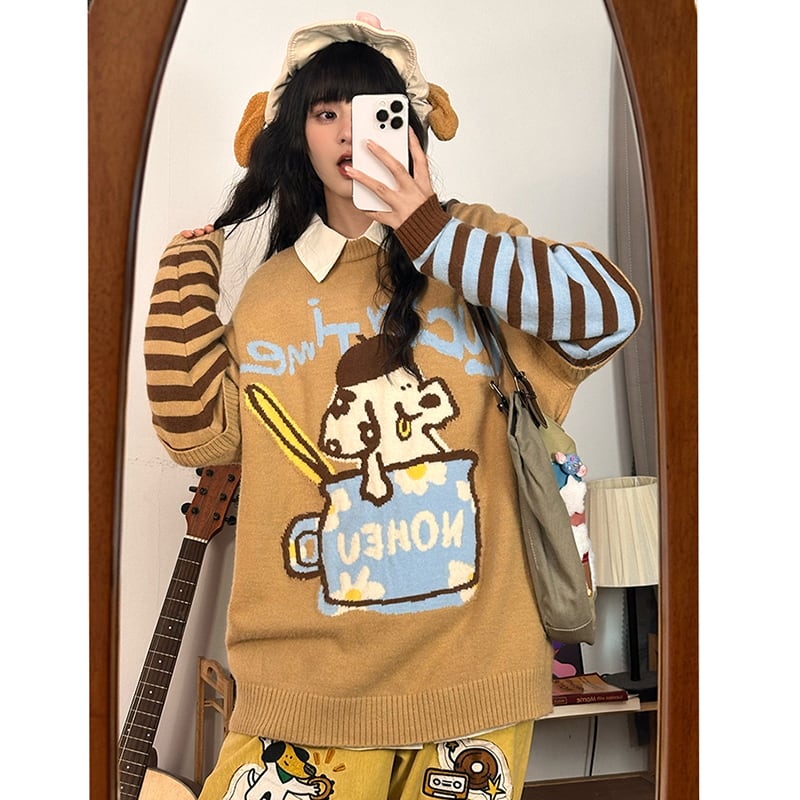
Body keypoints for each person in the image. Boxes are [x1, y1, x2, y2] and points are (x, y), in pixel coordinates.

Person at [144, 13, 642, 800]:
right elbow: (199, 440)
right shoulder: (271, 293)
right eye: (326, 111)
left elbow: (611, 313)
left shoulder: (474, 244)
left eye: (374, 109)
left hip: (474, 685)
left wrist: (429, 234)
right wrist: (183, 278)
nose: (350, 130)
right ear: (298, 133)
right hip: (301, 690)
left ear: (411, 123)